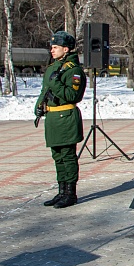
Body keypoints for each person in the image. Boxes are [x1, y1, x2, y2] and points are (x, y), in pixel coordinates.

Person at [35, 31, 87, 209]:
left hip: (66, 118)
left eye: (55, 47)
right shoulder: (52, 68)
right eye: (52, 47)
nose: (52, 50)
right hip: (53, 118)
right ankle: (61, 191)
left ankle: (70, 193)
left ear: (66, 49)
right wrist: (39, 105)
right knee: (57, 155)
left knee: (67, 156)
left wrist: (55, 84)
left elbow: (73, 95)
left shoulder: (74, 70)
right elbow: (45, 90)